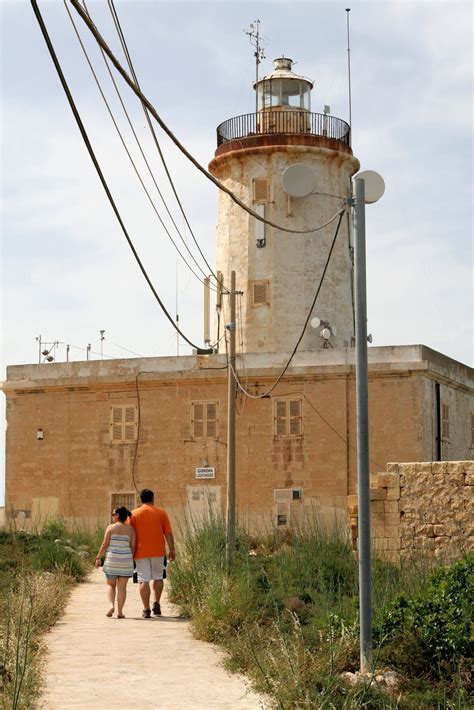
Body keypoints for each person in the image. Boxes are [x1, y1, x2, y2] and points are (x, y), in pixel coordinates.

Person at [130, 489, 175, 619]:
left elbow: (129, 534)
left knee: (143, 579)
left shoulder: (133, 514)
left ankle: (146, 609)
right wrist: (172, 549)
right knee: (158, 577)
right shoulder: (162, 513)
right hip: (158, 551)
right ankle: (157, 603)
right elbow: (168, 533)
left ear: (140, 499)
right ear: (152, 498)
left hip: (140, 551)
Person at [95, 506, 135, 618]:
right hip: (125, 562)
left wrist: (98, 558)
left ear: (117, 516)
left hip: (112, 560)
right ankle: (120, 612)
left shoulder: (111, 528)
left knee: (111, 585)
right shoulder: (130, 529)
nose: (112, 517)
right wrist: (129, 558)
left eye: (113, 514)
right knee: (122, 588)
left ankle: (111, 605)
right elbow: (133, 546)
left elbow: (104, 544)